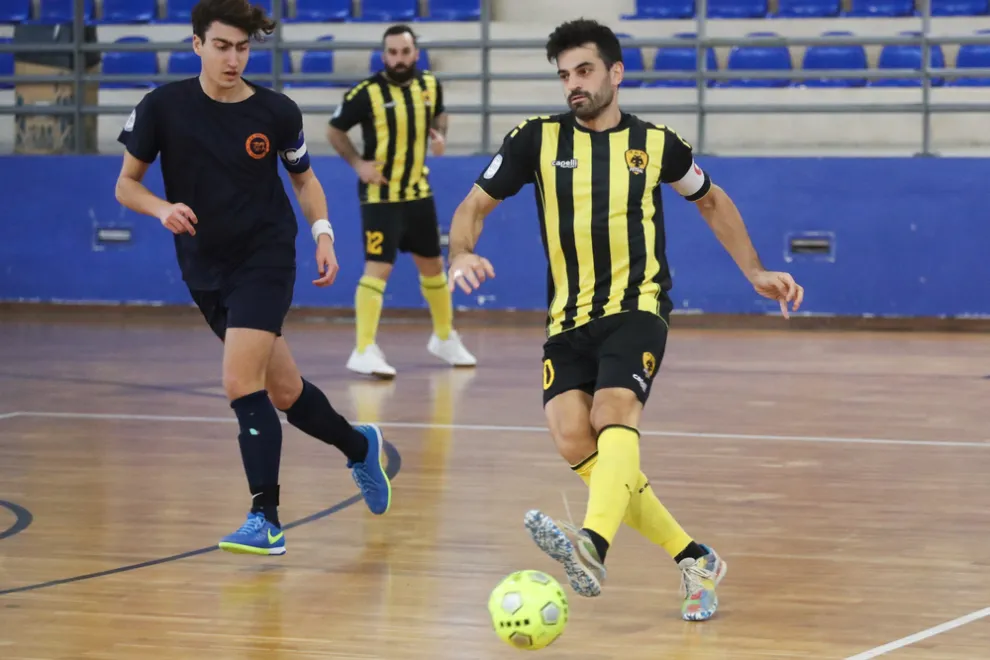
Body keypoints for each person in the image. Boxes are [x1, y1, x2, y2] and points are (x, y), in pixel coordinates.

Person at [446, 19, 804, 622]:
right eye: (564, 75)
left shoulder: (657, 144)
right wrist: (460, 251)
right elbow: (473, 205)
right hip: (567, 318)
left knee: (613, 412)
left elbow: (711, 201)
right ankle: (694, 558)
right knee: (574, 439)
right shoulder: (535, 139)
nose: (573, 84)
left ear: (615, 72)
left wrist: (755, 270)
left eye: (584, 71)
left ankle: (592, 545)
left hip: (638, 306)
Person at [113, 0, 393, 557]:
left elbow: (305, 180)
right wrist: (161, 209)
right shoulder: (161, 107)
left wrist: (323, 234)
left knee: (240, 382)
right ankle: (359, 446)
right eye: (222, 46)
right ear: (197, 44)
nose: (233, 59)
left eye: (242, 48)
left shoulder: (276, 111)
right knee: (285, 392)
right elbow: (126, 185)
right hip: (203, 267)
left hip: (266, 258)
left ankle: (265, 517)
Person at [328, 24, 476, 379]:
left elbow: (440, 113)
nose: (398, 59)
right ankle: (363, 348)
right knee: (379, 268)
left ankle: (444, 337)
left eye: (405, 52)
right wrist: (358, 164)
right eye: (392, 53)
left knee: (434, 267)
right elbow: (334, 130)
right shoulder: (366, 92)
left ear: (415, 54)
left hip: (418, 193)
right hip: (381, 196)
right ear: (384, 56)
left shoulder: (430, 85)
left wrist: (439, 135)